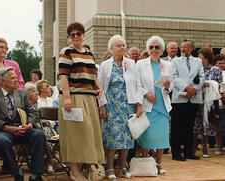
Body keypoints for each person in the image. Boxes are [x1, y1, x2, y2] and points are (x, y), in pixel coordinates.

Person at [58, 22, 105, 181]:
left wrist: (99, 88)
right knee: (75, 134)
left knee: (89, 135)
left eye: (79, 33)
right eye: (73, 34)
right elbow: (63, 76)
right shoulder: (66, 52)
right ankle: (74, 171)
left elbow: (93, 76)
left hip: (90, 98)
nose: (76, 37)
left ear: (83, 35)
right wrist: (67, 98)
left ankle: (85, 169)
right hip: (74, 98)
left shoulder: (89, 54)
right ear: (69, 37)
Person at [0, 67, 46, 181]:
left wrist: (30, 125)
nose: (17, 80)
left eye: (16, 77)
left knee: (39, 135)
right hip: (2, 130)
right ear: (2, 81)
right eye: (13, 78)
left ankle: (36, 175)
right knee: (2, 141)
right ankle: (17, 172)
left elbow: (33, 112)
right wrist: (7, 127)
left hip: (22, 129)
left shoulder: (22, 94)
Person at [98, 35, 142, 180]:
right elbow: (100, 88)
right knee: (111, 138)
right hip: (111, 107)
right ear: (111, 49)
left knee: (126, 139)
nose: (122, 47)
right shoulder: (105, 65)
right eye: (118, 45)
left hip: (127, 106)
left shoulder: (130, 64)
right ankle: (109, 167)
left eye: (123, 45)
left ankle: (123, 167)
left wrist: (139, 105)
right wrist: (102, 107)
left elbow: (137, 85)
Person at [136, 36, 172, 174]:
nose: (154, 50)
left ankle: (159, 165)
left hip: (162, 105)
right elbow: (137, 84)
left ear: (162, 50)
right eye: (151, 47)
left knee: (161, 136)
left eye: (157, 47)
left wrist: (168, 87)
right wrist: (146, 94)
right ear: (148, 49)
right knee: (147, 136)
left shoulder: (168, 65)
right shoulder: (140, 64)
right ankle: (146, 164)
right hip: (147, 105)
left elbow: (171, 85)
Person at [171, 39, 204, 161]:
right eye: (182, 47)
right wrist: (186, 88)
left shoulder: (198, 61)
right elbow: (173, 77)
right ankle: (176, 153)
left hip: (193, 98)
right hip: (180, 98)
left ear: (192, 49)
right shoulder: (175, 61)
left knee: (189, 126)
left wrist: (194, 89)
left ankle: (189, 151)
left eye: (186, 47)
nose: (183, 49)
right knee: (177, 127)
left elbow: (201, 76)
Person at [192, 47, 215, 158]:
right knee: (195, 124)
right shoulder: (196, 69)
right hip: (196, 99)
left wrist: (206, 83)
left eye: (200, 57)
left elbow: (214, 83)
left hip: (207, 100)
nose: (198, 58)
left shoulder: (213, 69)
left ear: (206, 58)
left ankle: (205, 147)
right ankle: (193, 147)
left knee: (206, 123)